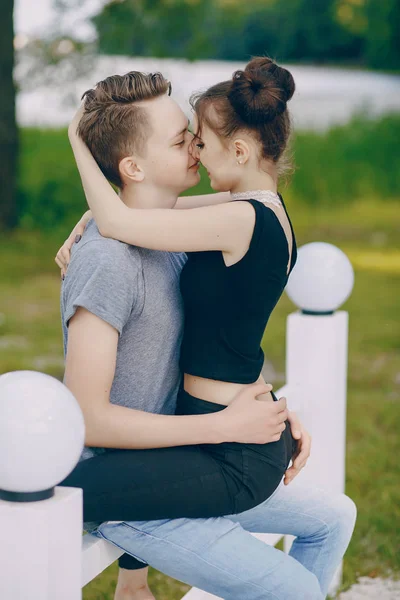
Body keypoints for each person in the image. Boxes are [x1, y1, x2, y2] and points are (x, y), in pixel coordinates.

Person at [57, 61, 356, 600]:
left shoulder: (184, 239)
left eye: (197, 139)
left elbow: (216, 328)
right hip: (139, 482)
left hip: (196, 455)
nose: (195, 148)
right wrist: (230, 423)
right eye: (181, 141)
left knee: (334, 516)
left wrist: (258, 403)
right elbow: (90, 418)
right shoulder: (112, 262)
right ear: (134, 166)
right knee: (295, 590)